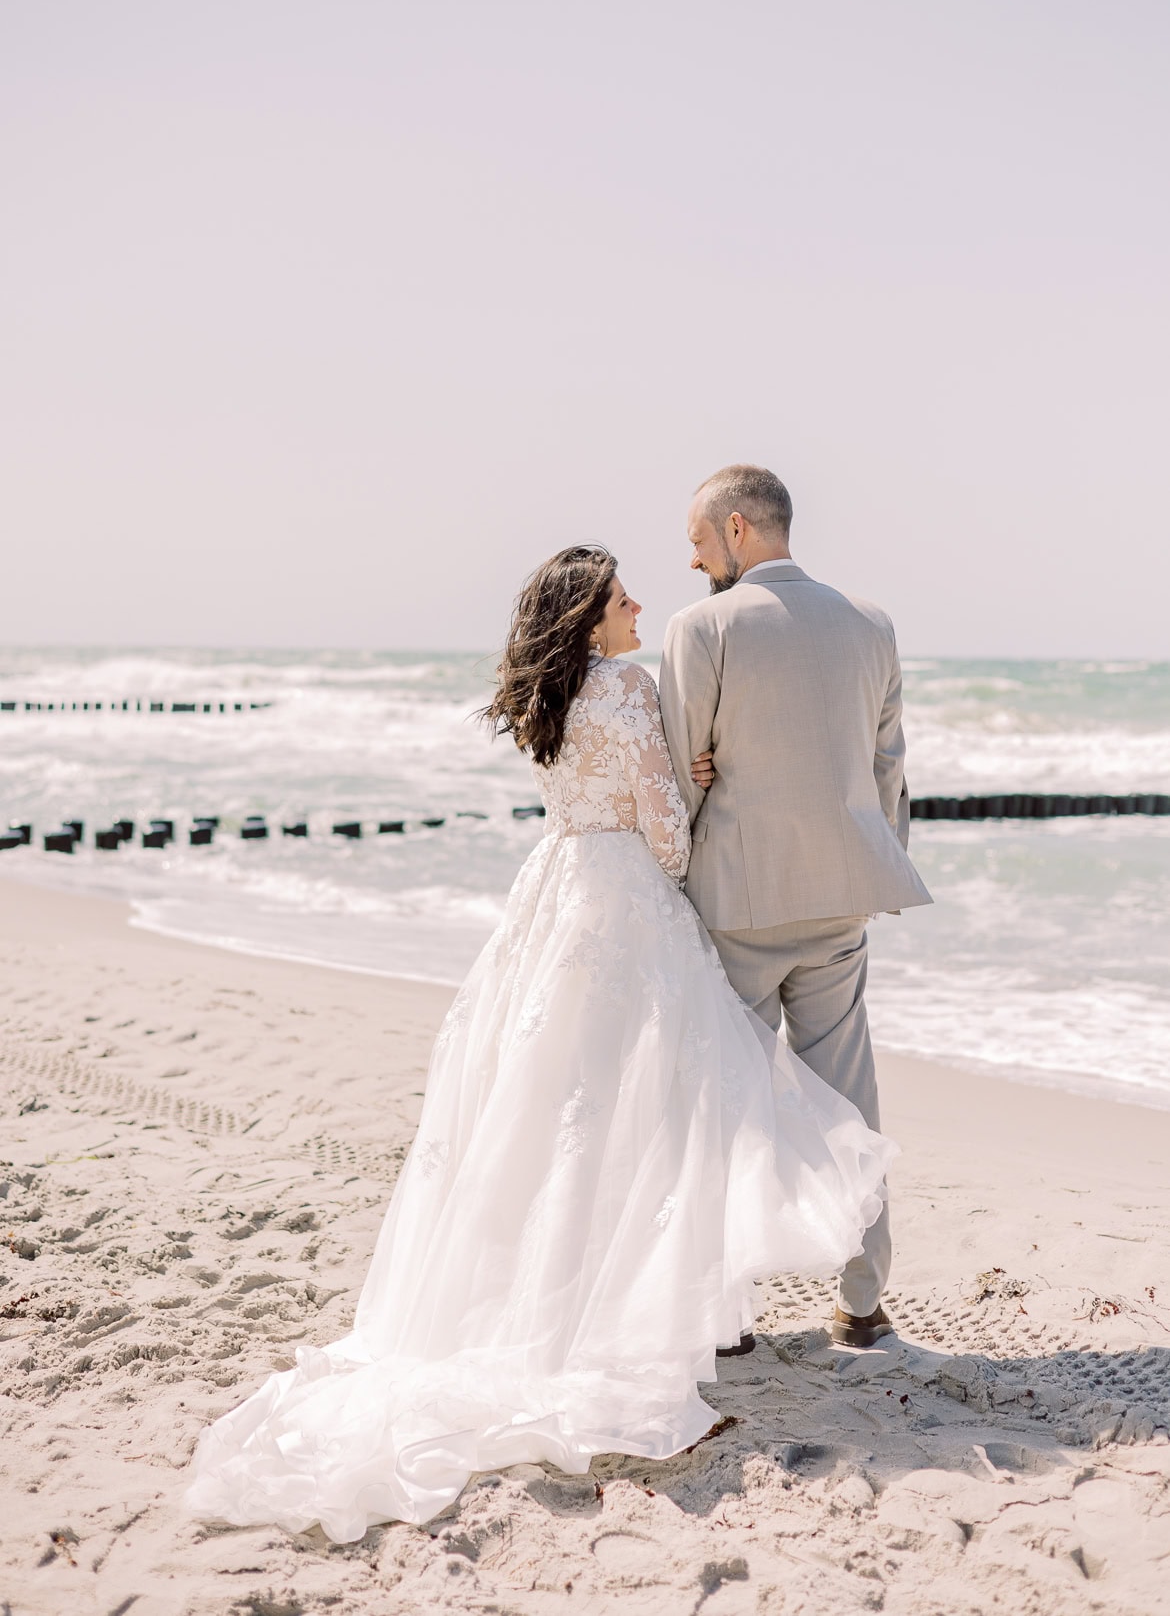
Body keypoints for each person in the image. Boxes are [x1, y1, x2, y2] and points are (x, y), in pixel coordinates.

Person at [185, 545, 895, 1542]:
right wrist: (689, 788)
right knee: (648, 1115)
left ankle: (555, 1301)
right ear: (590, 616)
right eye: (622, 597)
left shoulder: (547, 696)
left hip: (555, 896)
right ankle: (651, 1311)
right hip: (626, 903)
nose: (639, 605)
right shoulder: (629, 688)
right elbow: (667, 836)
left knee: (545, 1110)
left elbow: (588, 799)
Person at [658, 467, 932, 1351]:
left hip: (735, 904)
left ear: (737, 529)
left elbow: (679, 773)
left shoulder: (700, 627)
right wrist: (871, 862)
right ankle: (862, 1303)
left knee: (724, 1109)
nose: (693, 559)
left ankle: (725, 1312)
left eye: (699, 540)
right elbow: (888, 765)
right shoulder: (871, 622)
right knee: (850, 1101)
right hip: (838, 901)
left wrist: (671, 882)